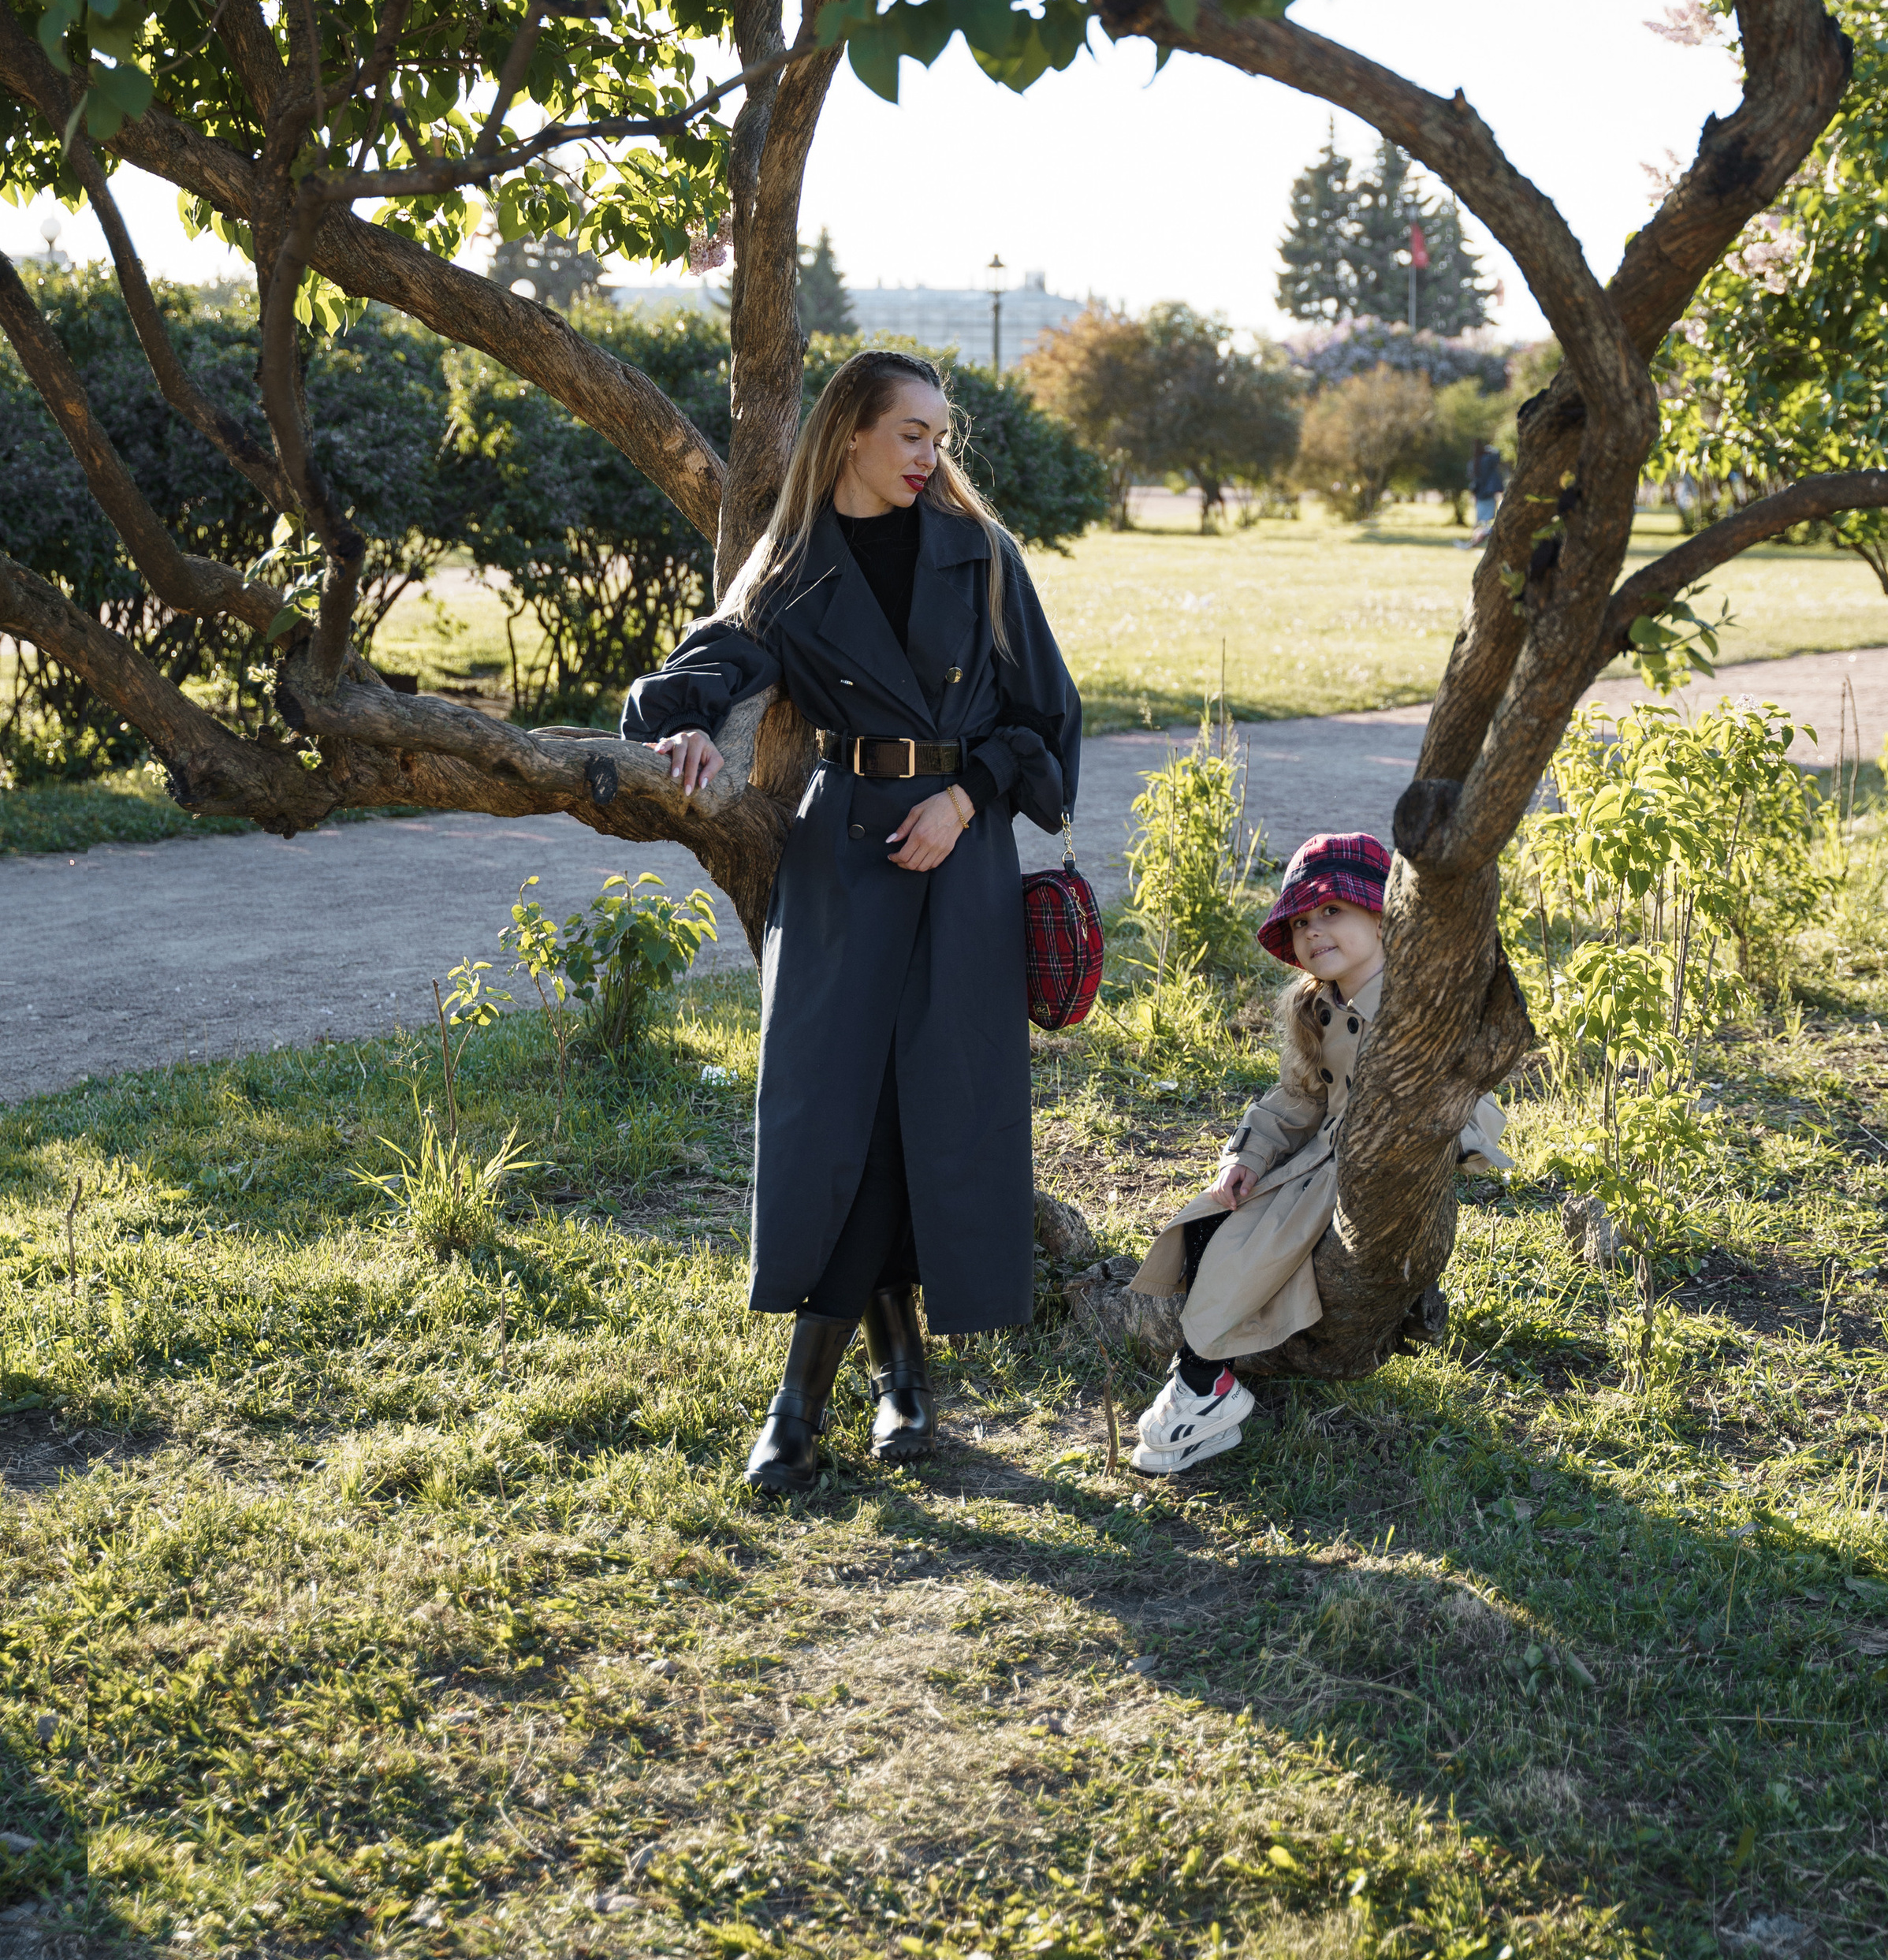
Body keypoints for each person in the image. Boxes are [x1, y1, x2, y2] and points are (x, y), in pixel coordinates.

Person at [620, 348, 1082, 1498]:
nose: (933, 456)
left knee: (934, 1109)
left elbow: (1050, 720)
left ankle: (868, 1389)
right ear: (852, 437)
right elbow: (693, 679)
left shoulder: (984, 555)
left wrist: (967, 796)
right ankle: (851, 1389)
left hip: (960, 851)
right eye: (913, 434)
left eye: (938, 436)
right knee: (840, 1113)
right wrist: (686, 733)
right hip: (845, 858)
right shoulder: (789, 570)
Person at [1126, 833, 1509, 1475]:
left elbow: (1460, 1090)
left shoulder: (1421, 1004)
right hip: (1315, 1165)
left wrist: (1460, 1141)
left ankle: (1199, 1387)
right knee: (1209, 1222)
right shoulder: (1318, 1007)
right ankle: (1205, 1383)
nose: (1314, 931)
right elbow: (1298, 1098)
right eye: (1302, 920)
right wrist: (1247, 1153)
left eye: (1333, 911)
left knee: (1254, 1258)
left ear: (1383, 914)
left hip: (1368, 1175)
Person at [1468, 438, 1506, 545]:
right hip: (1487, 493)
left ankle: (1475, 540)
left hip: (1480, 493)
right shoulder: (1487, 459)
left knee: (1481, 519)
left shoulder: (1475, 461)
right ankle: (1478, 540)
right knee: (1487, 521)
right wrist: (1492, 450)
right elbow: (1497, 456)